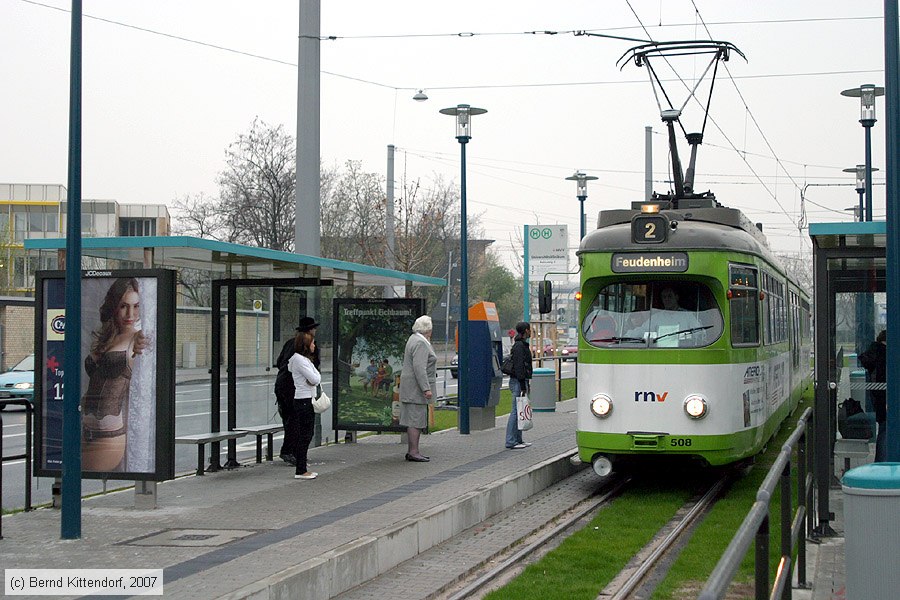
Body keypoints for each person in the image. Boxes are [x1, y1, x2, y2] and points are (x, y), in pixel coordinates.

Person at [81, 277, 147, 472]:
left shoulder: (139, 338)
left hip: (109, 433)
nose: (130, 314)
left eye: (136, 306)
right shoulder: (108, 336)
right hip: (87, 429)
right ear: (114, 306)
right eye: (123, 306)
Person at [274, 316, 320, 466]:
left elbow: (280, 362)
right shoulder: (308, 347)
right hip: (295, 390)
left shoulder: (289, 343)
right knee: (298, 422)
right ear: (310, 331)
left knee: (289, 420)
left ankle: (291, 451)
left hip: (281, 386)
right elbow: (314, 374)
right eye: (314, 329)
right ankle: (291, 452)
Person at [399, 315, 438, 462]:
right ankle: (414, 452)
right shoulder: (421, 343)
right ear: (428, 329)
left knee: (414, 419)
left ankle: (413, 451)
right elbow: (419, 367)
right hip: (416, 389)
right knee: (416, 420)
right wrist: (426, 388)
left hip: (411, 388)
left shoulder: (413, 338)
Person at [288, 329, 321, 480]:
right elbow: (315, 379)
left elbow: (316, 376)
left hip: (305, 399)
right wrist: (314, 377)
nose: (315, 345)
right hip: (304, 401)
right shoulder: (300, 361)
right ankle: (301, 469)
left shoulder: (303, 360)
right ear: (306, 345)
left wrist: (314, 376)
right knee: (305, 435)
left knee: (306, 434)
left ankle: (302, 468)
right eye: (312, 342)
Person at [859, 329, 887, 462]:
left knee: (883, 428)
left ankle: (880, 461)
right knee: (885, 429)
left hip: (879, 398)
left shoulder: (874, 352)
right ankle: (882, 461)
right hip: (885, 398)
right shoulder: (883, 353)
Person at [506, 321, 533, 450]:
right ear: (526, 331)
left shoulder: (521, 345)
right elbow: (519, 366)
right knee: (516, 411)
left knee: (521, 410)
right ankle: (511, 440)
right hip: (518, 381)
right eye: (530, 329)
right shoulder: (519, 346)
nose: (531, 331)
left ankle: (518, 439)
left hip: (521, 381)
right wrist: (523, 384)